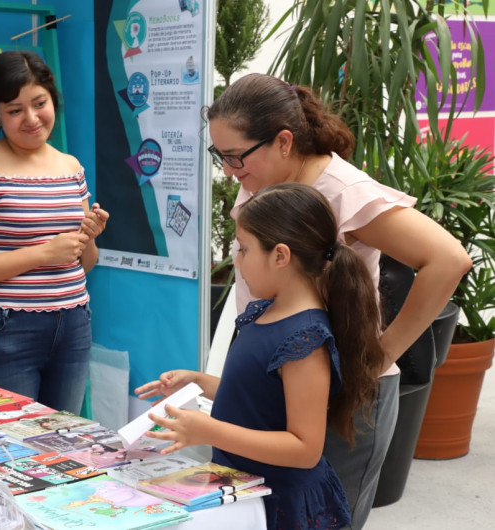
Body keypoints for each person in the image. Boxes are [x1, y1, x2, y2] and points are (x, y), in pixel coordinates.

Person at [204, 73, 471, 528]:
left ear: (283, 141)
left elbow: (448, 260)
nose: (229, 170)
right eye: (220, 156)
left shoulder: (342, 191)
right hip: (277, 387)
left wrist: (378, 356)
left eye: (235, 156)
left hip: (340, 399)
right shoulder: (260, 182)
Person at [137, 182, 384, 529]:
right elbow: (257, 397)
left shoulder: (306, 340)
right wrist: (197, 382)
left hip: (282, 505)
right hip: (242, 491)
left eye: (244, 249)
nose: (237, 261)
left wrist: (210, 431)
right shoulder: (266, 312)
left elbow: (305, 448)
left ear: (280, 256)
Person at [0, 51, 109, 414]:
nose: (32, 119)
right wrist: (44, 253)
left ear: (53, 100)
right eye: (15, 110)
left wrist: (90, 235)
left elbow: (85, 264)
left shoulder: (71, 168)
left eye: (39, 103)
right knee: (11, 440)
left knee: (65, 436)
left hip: (73, 323)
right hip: (5, 329)